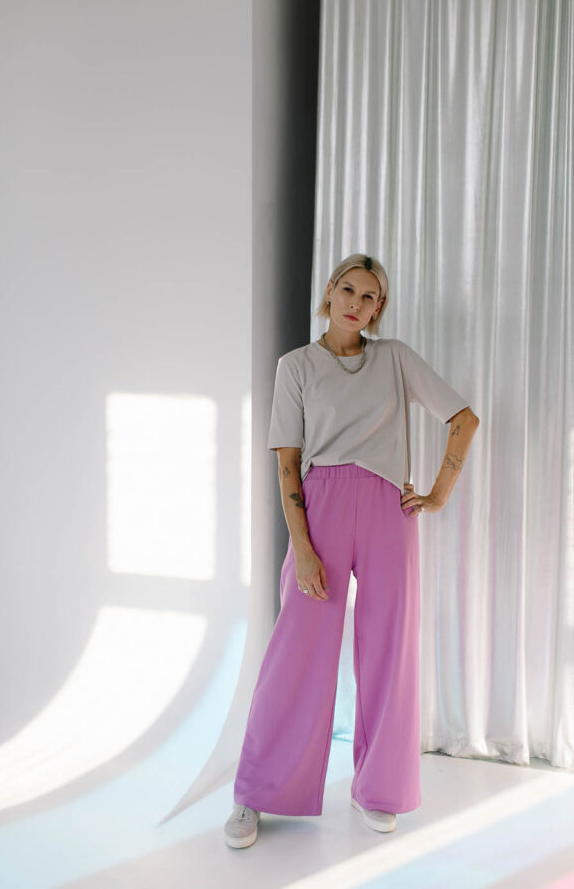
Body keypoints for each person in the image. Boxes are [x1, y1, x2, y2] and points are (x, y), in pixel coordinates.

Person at [224, 253, 480, 849]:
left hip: (390, 510)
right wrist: (302, 546)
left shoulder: (394, 358)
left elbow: (463, 419)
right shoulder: (296, 366)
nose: (356, 304)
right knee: (297, 652)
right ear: (330, 292)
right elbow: (288, 464)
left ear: (378, 307)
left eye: (369, 297)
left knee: (390, 651)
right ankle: (257, 791)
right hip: (322, 509)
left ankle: (380, 789)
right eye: (348, 290)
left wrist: (437, 493)